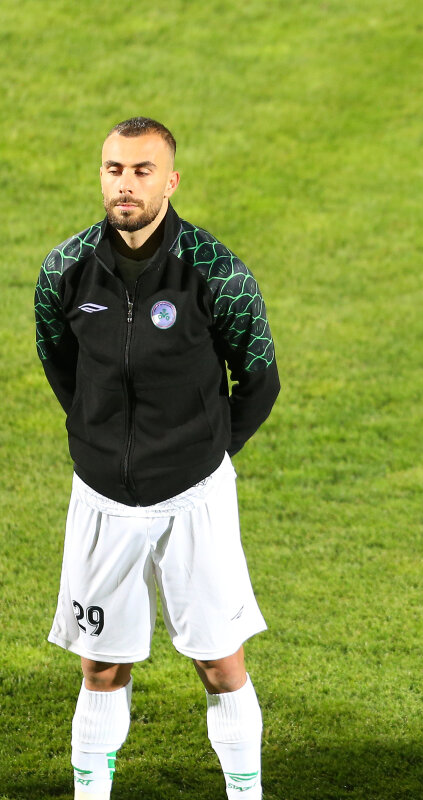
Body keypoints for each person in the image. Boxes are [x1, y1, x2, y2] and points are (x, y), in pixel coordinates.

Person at [35, 117, 280, 800]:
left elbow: (259, 381)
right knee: (100, 667)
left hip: (194, 499)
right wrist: (100, 438)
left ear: (170, 181)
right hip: (101, 500)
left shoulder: (217, 272)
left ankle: (245, 793)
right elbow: (60, 364)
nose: (126, 183)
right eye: (115, 168)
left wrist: (201, 451)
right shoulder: (64, 269)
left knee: (219, 662)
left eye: (142, 171)